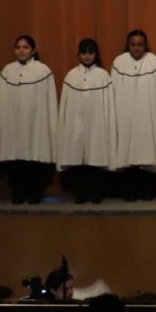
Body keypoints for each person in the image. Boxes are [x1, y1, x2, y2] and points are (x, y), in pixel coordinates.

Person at [0, 34, 58, 205]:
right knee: (16, 158)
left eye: (25, 47)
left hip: (36, 121)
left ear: (33, 50)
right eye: (18, 47)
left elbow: (49, 100)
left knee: (34, 157)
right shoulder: (8, 71)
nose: (21, 50)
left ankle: (35, 192)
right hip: (14, 122)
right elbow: (1, 99)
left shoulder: (42, 70)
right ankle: (18, 192)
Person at [56, 38, 117, 204]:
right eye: (84, 52)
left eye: (91, 52)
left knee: (95, 158)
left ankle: (96, 192)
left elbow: (108, 104)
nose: (87, 56)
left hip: (97, 123)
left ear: (96, 54)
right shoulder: (71, 75)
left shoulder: (103, 75)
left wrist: (106, 123)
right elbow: (65, 104)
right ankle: (81, 192)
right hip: (76, 123)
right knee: (78, 158)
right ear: (79, 54)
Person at [111, 29, 156, 200]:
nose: (136, 48)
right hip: (125, 113)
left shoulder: (153, 61)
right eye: (133, 45)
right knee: (127, 149)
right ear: (128, 45)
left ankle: (147, 190)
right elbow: (114, 91)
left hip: (146, 113)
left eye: (140, 45)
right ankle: (130, 190)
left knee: (146, 149)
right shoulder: (119, 62)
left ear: (145, 45)